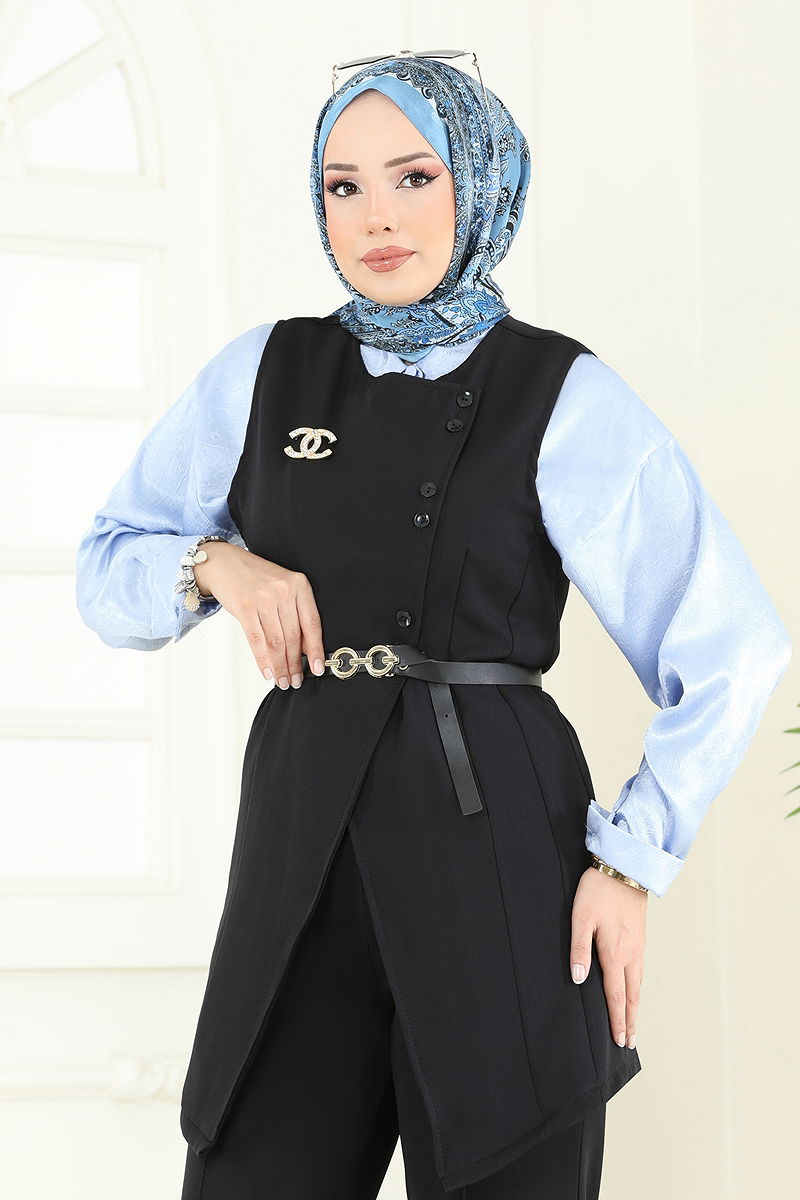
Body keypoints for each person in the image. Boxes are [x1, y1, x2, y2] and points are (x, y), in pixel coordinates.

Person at [75, 53, 792, 1200]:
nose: (376, 217)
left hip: (499, 853)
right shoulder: (263, 373)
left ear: (481, 183)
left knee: (507, 1162)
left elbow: (731, 641)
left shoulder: (562, 393)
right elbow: (106, 569)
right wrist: (214, 565)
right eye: (342, 186)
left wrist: (630, 862)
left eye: (413, 177)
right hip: (299, 845)